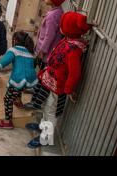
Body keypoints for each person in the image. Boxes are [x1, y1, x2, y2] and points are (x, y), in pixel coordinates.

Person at [26, 12, 91, 149]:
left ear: (70, 28)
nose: (60, 26)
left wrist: (68, 90)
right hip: (51, 81)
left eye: (63, 24)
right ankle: (42, 126)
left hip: (58, 86)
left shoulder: (74, 49)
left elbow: (75, 73)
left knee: (51, 111)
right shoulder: (68, 40)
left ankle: (46, 137)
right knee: (47, 107)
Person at [0, 31, 38, 129]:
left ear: (15, 40)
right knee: (19, 88)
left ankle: (7, 122)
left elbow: (2, 63)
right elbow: (34, 65)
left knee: (7, 99)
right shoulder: (31, 52)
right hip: (31, 79)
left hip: (18, 79)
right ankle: (18, 101)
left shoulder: (14, 50)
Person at [35, 0, 68, 69]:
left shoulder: (52, 16)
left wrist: (42, 51)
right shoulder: (58, 11)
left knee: (42, 72)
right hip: (50, 51)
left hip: (46, 53)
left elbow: (49, 35)